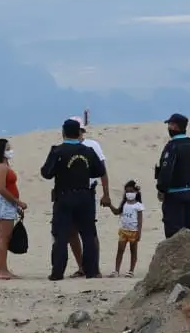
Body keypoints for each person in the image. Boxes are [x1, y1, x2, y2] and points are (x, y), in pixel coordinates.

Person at [41, 118, 108, 280]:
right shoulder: (88, 151)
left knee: (61, 235)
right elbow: (99, 171)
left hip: (64, 196)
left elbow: (46, 173)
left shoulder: (57, 151)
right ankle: (91, 271)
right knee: (88, 235)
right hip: (85, 196)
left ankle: (57, 272)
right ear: (79, 133)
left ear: (63, 133)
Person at [62, 121, 110, 278]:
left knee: (89, 232)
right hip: (68, 193)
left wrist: (106, 193)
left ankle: (94, 268)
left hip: (87, 192)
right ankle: (82, 266)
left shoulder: (92, 146)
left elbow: (102, 171)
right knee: (71, 231)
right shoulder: (65, 147)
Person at [155, 113, 190, 238]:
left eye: (170, 125)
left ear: (175, 126)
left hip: (175, 195)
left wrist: (161, 189)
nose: (168, 128)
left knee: (174, 235)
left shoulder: (172, 147)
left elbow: (166, 171)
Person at [0, 138, 26, 280]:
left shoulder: (5, 166)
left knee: (6, 236)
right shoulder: (0, 167)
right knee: (3, 237)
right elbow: (1, 188)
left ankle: (3, 268)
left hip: (9, 203)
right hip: (5, 203)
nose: (10, 151)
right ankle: (0, 270)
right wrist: (18, 202)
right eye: (7, 149)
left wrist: (16, 206)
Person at [108, 180, 144, 277]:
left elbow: (140, 221)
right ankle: (116, 270)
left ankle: (131, 271)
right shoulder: (124, 204)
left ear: (136, 192)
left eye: (131, 191)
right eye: (127, 191)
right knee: (120, 250)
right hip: (123, 231)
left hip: (133, 232)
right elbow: (116, 212)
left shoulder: (138, 206)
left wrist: (139, 233)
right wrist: (109, 205)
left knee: (133, 251)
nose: (129, 193)